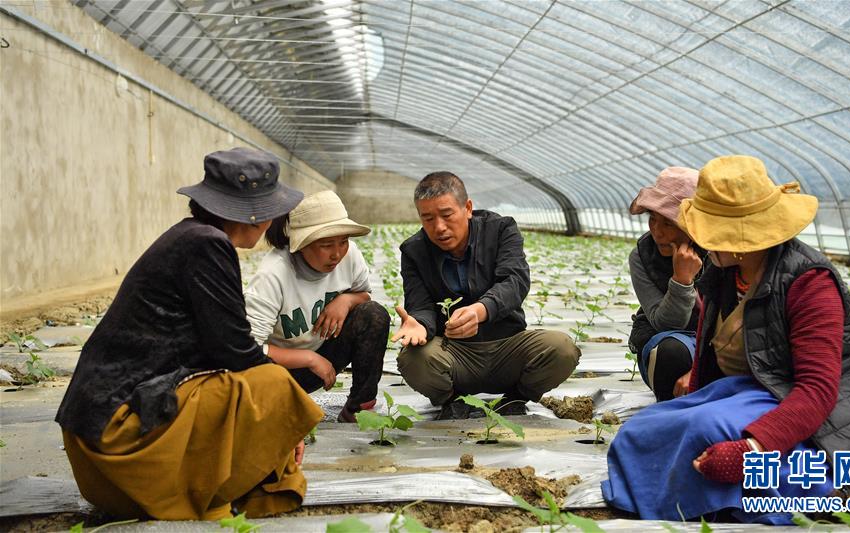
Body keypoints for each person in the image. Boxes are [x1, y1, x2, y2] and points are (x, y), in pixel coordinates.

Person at [601, 155, 850, 524]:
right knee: (642, 431)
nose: (699, 237)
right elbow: (707, 357)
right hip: (756, 389)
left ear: (739, 238)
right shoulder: (725, 272)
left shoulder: (809, 282)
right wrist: (692, 400)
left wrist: (752, 448)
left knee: (705, 432)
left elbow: (818, 390)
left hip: (825, 406)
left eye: (708, 229)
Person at [55, 147, 324, 521]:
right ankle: (201, 494)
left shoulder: (190, 237)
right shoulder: (207, 245)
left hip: (95, 442)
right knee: (272, 384)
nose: (270, 222)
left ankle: (218, 486)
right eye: (268, 212)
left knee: (253, 384)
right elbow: (236, 352)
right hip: (116, 443)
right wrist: (287, 422)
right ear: (252, 214)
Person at [392, 171, 581, 419]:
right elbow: (420, 304)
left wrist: (480, 310)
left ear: (468, 208)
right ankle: (452, 400)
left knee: (561, 348)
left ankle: (516, 398)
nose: (439, 227)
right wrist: (421, 324)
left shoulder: (500, 230)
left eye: (447, 215)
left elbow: (515, 281)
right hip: (453, 354)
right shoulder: (414, 250)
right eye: (428, 218)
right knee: (413, 358)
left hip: (507, 348)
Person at [244, 190, 389, 423]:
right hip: (279, 373)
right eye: (326, 245)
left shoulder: (349, 256)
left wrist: (346, 300)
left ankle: (359, 408)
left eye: (343, 241)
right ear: (301, 244)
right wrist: (308, 358)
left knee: (374, 315)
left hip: (326, 357)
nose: (337, 254)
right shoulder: (273, 274)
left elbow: (365, 296)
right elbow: (247, 349)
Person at [627, 167, 705, 401]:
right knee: (671, 352)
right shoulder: (642, 255)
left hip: (717, 344)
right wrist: (682, 280)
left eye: (669, 223)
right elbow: (666, 324)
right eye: (652, 219)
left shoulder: (720, 252)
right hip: (668, 341)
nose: (657, 232)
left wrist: (700, 369)